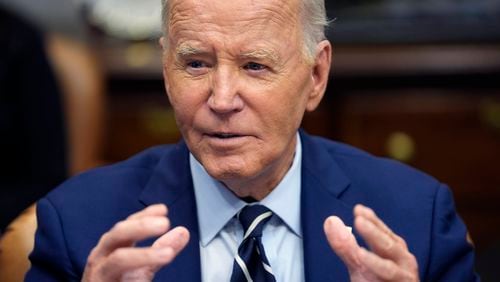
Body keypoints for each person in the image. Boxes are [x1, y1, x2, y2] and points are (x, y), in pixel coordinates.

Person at [26, 0, 479, 281]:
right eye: (197, 64)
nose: (222, 100)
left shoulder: (417, 219)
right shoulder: (78, 227)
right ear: (167, 72)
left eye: (255, 66)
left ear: (316, 76)